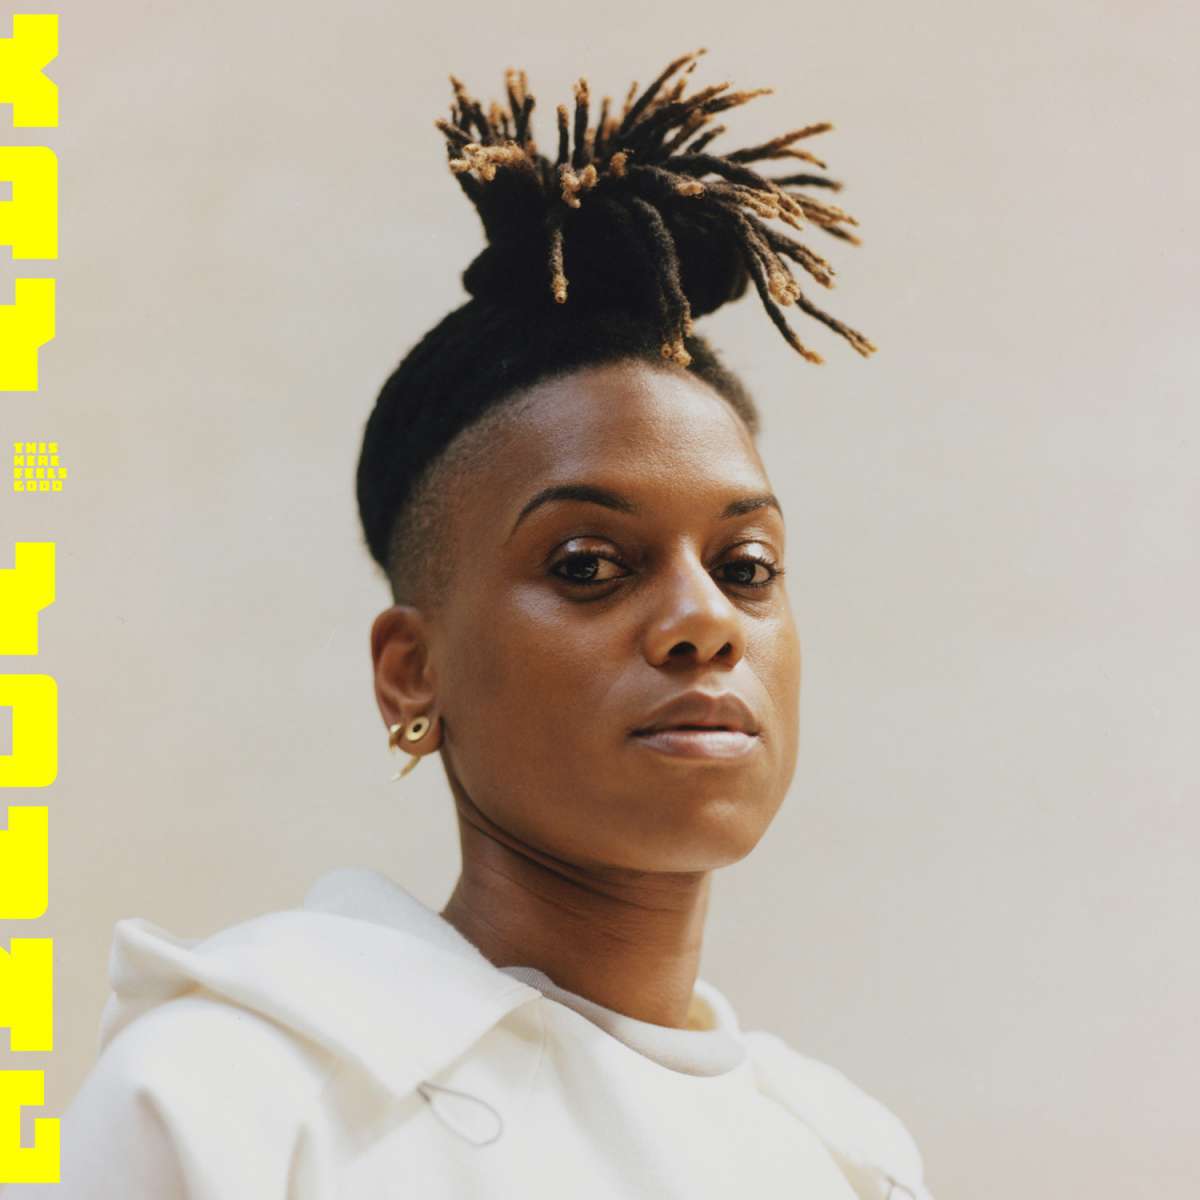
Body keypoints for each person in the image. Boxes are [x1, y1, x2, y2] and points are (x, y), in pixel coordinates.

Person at [2, 49, 932, 1199]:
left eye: (747, 567)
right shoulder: (231, 1099)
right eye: (589, 565)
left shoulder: (847, 1158)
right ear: (410, 673)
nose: (705, 620)